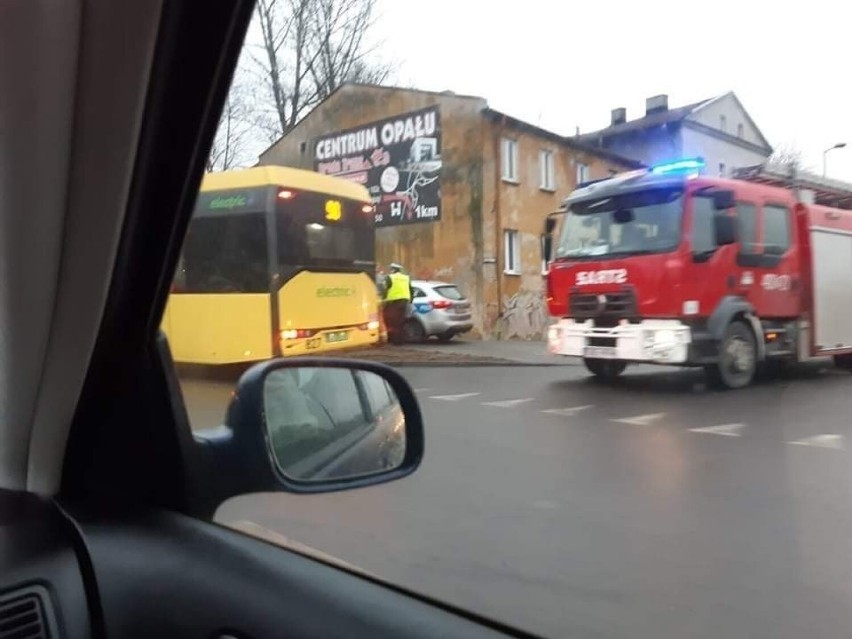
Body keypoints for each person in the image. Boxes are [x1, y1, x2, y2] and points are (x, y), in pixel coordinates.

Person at [382, 263, 413, 342]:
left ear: (393, 269)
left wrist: (383, 299)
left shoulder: (390, 277)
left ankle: (394, 339)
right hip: (404, 302)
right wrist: (411, 300)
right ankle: (401, 339)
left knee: (392, 321)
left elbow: (385, 289)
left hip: (393, 302)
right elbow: (411, 290)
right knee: (401, 321)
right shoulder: (406, 277)